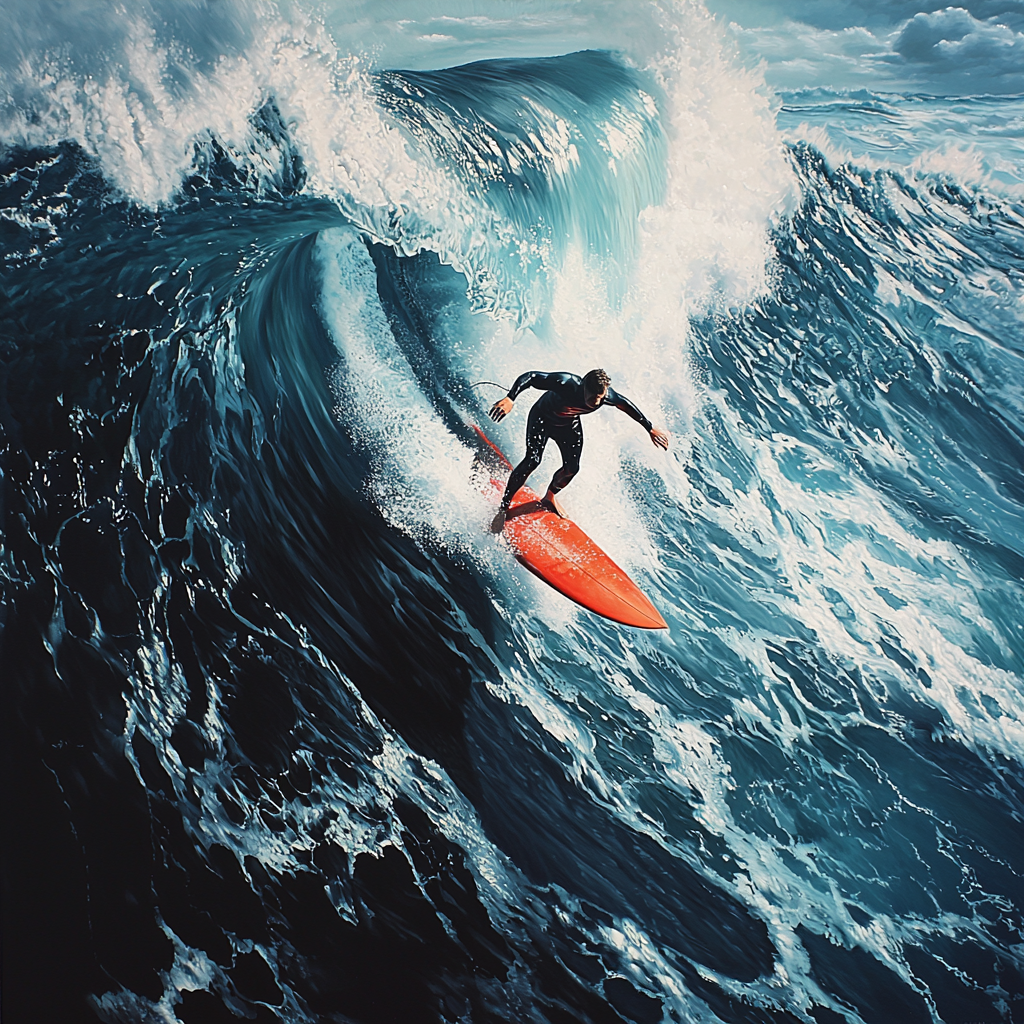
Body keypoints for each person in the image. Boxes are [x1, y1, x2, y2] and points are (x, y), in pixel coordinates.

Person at [488, 368, 669, 532]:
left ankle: (549, 497)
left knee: (572, 469)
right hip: (542, 418)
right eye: (592, 399)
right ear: (583, 388)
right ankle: (503, 507)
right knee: (533, 460)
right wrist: (511, 397)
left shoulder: (605, 396)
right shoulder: (566, 383)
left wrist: (649, 428)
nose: (595, 403)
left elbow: (625, 405)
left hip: (568, 425)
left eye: (600, 399)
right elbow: (531, 377)